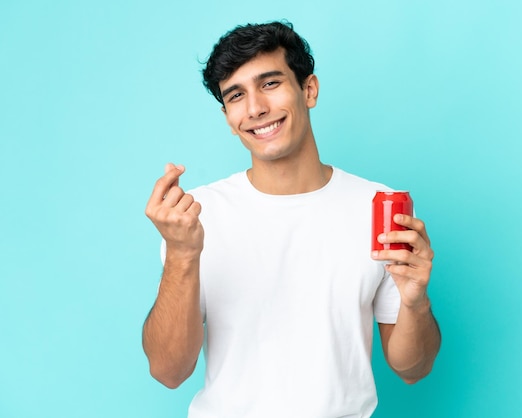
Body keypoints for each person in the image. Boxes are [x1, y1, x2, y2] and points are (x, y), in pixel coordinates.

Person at [142, 21, 441, 417]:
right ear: (228, 117)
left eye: (270, 83)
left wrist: (416, 303)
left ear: (309, 90)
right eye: (236, 95)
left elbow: (413, 368)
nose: (255, 109)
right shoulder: (196, 216)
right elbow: (168, 371)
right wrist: (182, 254)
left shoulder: (379, 206)